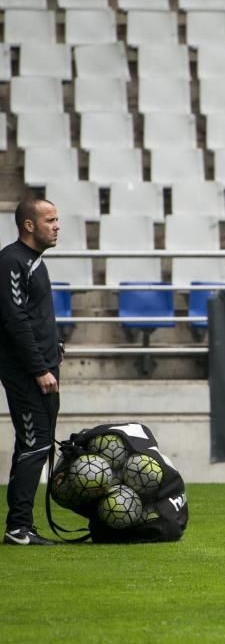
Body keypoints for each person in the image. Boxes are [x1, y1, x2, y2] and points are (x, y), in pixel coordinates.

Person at [1, 198, 61, 546]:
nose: (56, 226)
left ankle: (21, 525)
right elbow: (14, 319)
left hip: (44, 366)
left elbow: (36, 315)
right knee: (34, 444)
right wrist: (39, 367)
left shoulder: (35, 262)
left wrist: (57, 346)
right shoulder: (11, 260)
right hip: (26, 373)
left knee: (34, 445)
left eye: (57, 220)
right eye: (50, 220)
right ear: (29, 225)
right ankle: (19, 528)